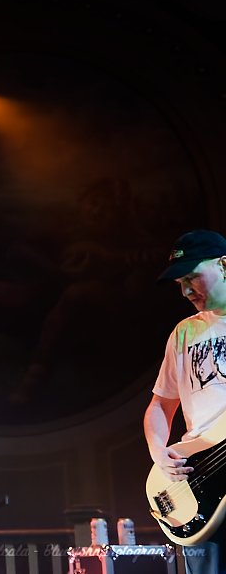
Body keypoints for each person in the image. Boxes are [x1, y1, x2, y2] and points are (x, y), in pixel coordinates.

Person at [145, 229, 226, 569]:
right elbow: (160, 406)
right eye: (180, 282)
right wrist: (158, 452)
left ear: (224, 265)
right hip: (197, 483)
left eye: (192, 277)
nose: (186, 291)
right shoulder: (183, 332)